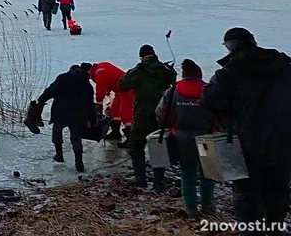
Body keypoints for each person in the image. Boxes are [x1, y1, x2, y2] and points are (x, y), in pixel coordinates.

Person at [202, 28, 291, 233]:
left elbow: (210, 101)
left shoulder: (230, 72)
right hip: (284, 142)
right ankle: (276, 228)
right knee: (278, 193)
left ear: (230, 47)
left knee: (247, 197)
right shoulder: (284, 66)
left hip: (247, 145)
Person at [156, 59, 215, 218]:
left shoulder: (173, 90)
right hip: (206, 138)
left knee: (187, 174)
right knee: (208, 173)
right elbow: (221, 114)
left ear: (184, 74)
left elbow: (161, 113)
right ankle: (208, 205)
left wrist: (171, 125)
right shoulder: (208, 90)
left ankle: (191, 208)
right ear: (199, 74)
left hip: (181, 139)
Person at [118, 45, 176, 191]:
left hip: (142, 114)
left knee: (136, 145)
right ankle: (158, 183)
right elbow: (174, 79)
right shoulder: (165, 70)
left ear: (142, 56)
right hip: (162, 115)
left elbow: (122, 84)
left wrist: (135, 70)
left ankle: (140, 179)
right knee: (159, 146)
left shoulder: (139, 71)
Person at [35, 65, 96, 172]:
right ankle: (79, 163)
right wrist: (91, 120)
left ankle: (59, 156)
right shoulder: (86, 83)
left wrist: (40, 100)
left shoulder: (63, 78)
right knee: (76, 138)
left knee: (57, 131)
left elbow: (51, 91)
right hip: (78, 114)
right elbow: (90, 104)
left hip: (61, 112)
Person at [80, 62, 134, 147]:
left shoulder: (99, 71)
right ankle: (115, 133)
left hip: (128, 90)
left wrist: (99, 104)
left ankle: (132, 139)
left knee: (125, 114)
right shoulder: (101, 67)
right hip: (120, 91)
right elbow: (109, 80)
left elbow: (100, 88)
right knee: (114, 110)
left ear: (88, 71)